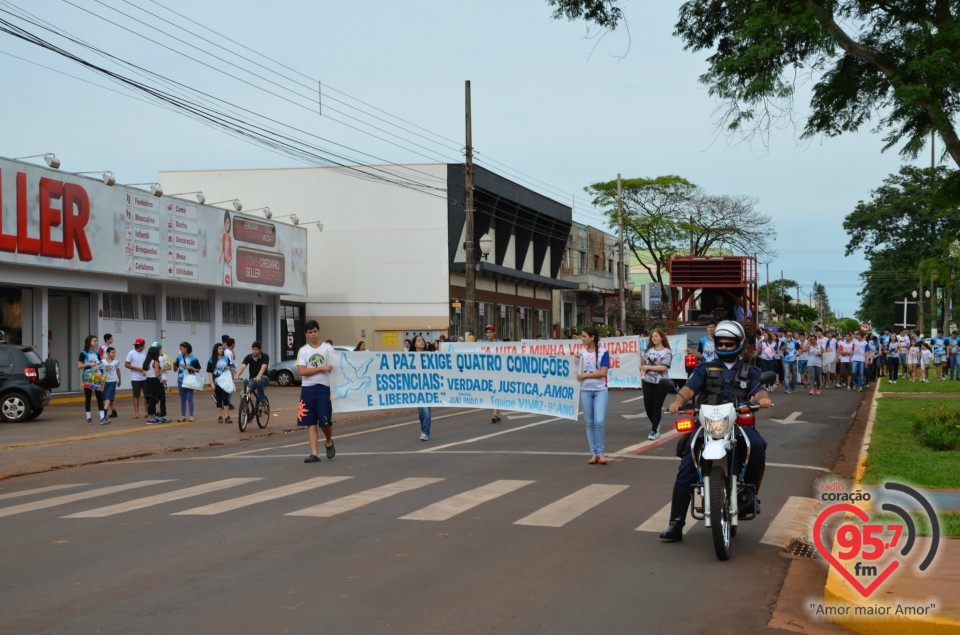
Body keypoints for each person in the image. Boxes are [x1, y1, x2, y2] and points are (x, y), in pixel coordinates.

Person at [660, 320, 772, 541]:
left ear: (739, 344)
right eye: (721, 343)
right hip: (708, 423)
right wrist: (677, 402)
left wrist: (764, 398)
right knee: (687, 465)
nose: (725, 347)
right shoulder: (704, 367)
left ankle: (748, 497)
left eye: (730, 344)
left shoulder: (750, 370)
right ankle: (676, 523)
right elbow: (689, 389)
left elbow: (758, 390)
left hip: (738, 423)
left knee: (757, 447)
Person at [298, 320, 336, 463]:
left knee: (325, 421)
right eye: (310, 332)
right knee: (310, 421)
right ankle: (314, 453)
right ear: (306, 334)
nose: (313, 335)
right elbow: (302, 371)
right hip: (308, 389)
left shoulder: (328, 348)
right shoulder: (303, 350)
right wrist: (321, 368)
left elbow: (335, 369)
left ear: (318, 331)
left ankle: (328, 441)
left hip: (324, 388)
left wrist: (334, 391)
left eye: (315, 331)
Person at [577, 326, 610, 464]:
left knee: (599, 421)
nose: (582, 338)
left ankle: (601, 452)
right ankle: (594, 453)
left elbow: (603, 372)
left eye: (584, 336)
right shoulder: (581, 353)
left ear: (592, 337)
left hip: (600, 390)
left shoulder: (603, 352)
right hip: (585, 391)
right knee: (589, 423)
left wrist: (585, 375)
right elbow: (575, 370)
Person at [640, 328, 673, 441]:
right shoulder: (648, 351)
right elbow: (643, 363)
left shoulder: (666, 351)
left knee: (656, 406)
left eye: (656, 336)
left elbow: (663, 367)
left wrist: (648, 367)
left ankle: (654, 430)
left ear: (662, 338)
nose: (654, 338)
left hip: (661, 383)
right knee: (648, 406)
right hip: (648, 381)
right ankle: (656, 424)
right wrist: (638, 355)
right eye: (652, 336)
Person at [77, 334, 107, 425]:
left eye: (96, 341)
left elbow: (100, 362)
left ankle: (102, 418)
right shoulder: (83, 353)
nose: (96, 342)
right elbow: (79, 366)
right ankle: (89, 418)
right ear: (89, 342)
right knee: (88, 398)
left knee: (99, 397)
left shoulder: (96, 352)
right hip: (88, 376)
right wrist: (89, 364)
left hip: (97, 375)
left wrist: (101, 367)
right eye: (94, 341)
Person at [235, 341, 270, 406]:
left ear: (260, 349)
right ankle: (246, 411)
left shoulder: (265, 356)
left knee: (258, 381)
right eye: (253, 349)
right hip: (252, 380)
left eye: (256, 349)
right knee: (243, 393)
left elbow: (263, 367)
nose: (254, 351)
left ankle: (262, 400)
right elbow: (243, 366)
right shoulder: (249, 357)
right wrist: (237, 374)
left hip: (264, 378)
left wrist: (259, 376)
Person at [207, 342, 235, 424]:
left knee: (226, 398)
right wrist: (212, 383)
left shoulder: (226, 358)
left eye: (222, 348)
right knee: (219, 399)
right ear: (216, 349)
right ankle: (220, 416)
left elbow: (231, 368)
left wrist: (230, 368)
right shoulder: (211, 360)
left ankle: (227, 416)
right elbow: (210, 372)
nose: (221, 350)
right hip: (217, 381)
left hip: (225, 381)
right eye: (219, 348)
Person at [412, 334, 433, 441]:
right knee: (421, 413)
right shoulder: (410, 357)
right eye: (419, 340)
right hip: (416, 387)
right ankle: (423, 430)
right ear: (414, 344)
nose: (421, 342)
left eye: (422, 340)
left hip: (427, 386)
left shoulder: (429, 355)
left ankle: (426, 432)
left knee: (426, 410)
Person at [174, 341, 202, 422]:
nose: (180, 350)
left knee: (189, 398)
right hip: (180, 380)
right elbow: (175, 370)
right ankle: (183, 416)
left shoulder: (194, 358)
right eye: (179, 349)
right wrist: (174, 364)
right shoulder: (179, 357)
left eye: (181, 348)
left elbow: (198, 370)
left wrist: (192, 368)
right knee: (182, 398)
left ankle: (191, 416)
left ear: (186, 349)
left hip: (189, 380)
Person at [142, 344, 168, 424]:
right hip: (154, 381)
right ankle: (151, 419)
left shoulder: (146, 361)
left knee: (150, 400)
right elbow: (157, 374)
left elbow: (144, 373)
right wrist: (162, 370)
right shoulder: (155, 362)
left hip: (148, 380)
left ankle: (151, 418)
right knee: (153, 400)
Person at [124, 338, 147, 418]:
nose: (144, 347)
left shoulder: (144, 353)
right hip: (135, 378)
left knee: (146, 396)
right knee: (136, 396)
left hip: (145, 378)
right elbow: (126, 364)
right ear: (140, 346)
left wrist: (144, 370)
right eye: (143, 345)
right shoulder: (131, 353)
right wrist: (138, 369)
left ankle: (147, 412)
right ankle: (136, 413)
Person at [484, 325, 503, 423]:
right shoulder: (483, 344)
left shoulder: (500, 344)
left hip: (499, 372)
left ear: (494, 333)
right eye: (487, 332)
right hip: (488, 372)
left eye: (490, 332)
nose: (489, 334)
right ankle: (497, 413)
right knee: (492, 392)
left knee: (497, 391)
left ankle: (495, 413)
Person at [101, 346, 121, 420]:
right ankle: (114, 411)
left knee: (108, 396)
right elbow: (99, 370)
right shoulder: (102, 361)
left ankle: (104, 412)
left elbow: (118, 371)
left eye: (114, 352)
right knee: (105, 397)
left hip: (113, 381)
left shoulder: (116, 362)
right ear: (107, 353)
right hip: (104, 381)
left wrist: (119, 380)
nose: (114, 354)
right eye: (112, 352)